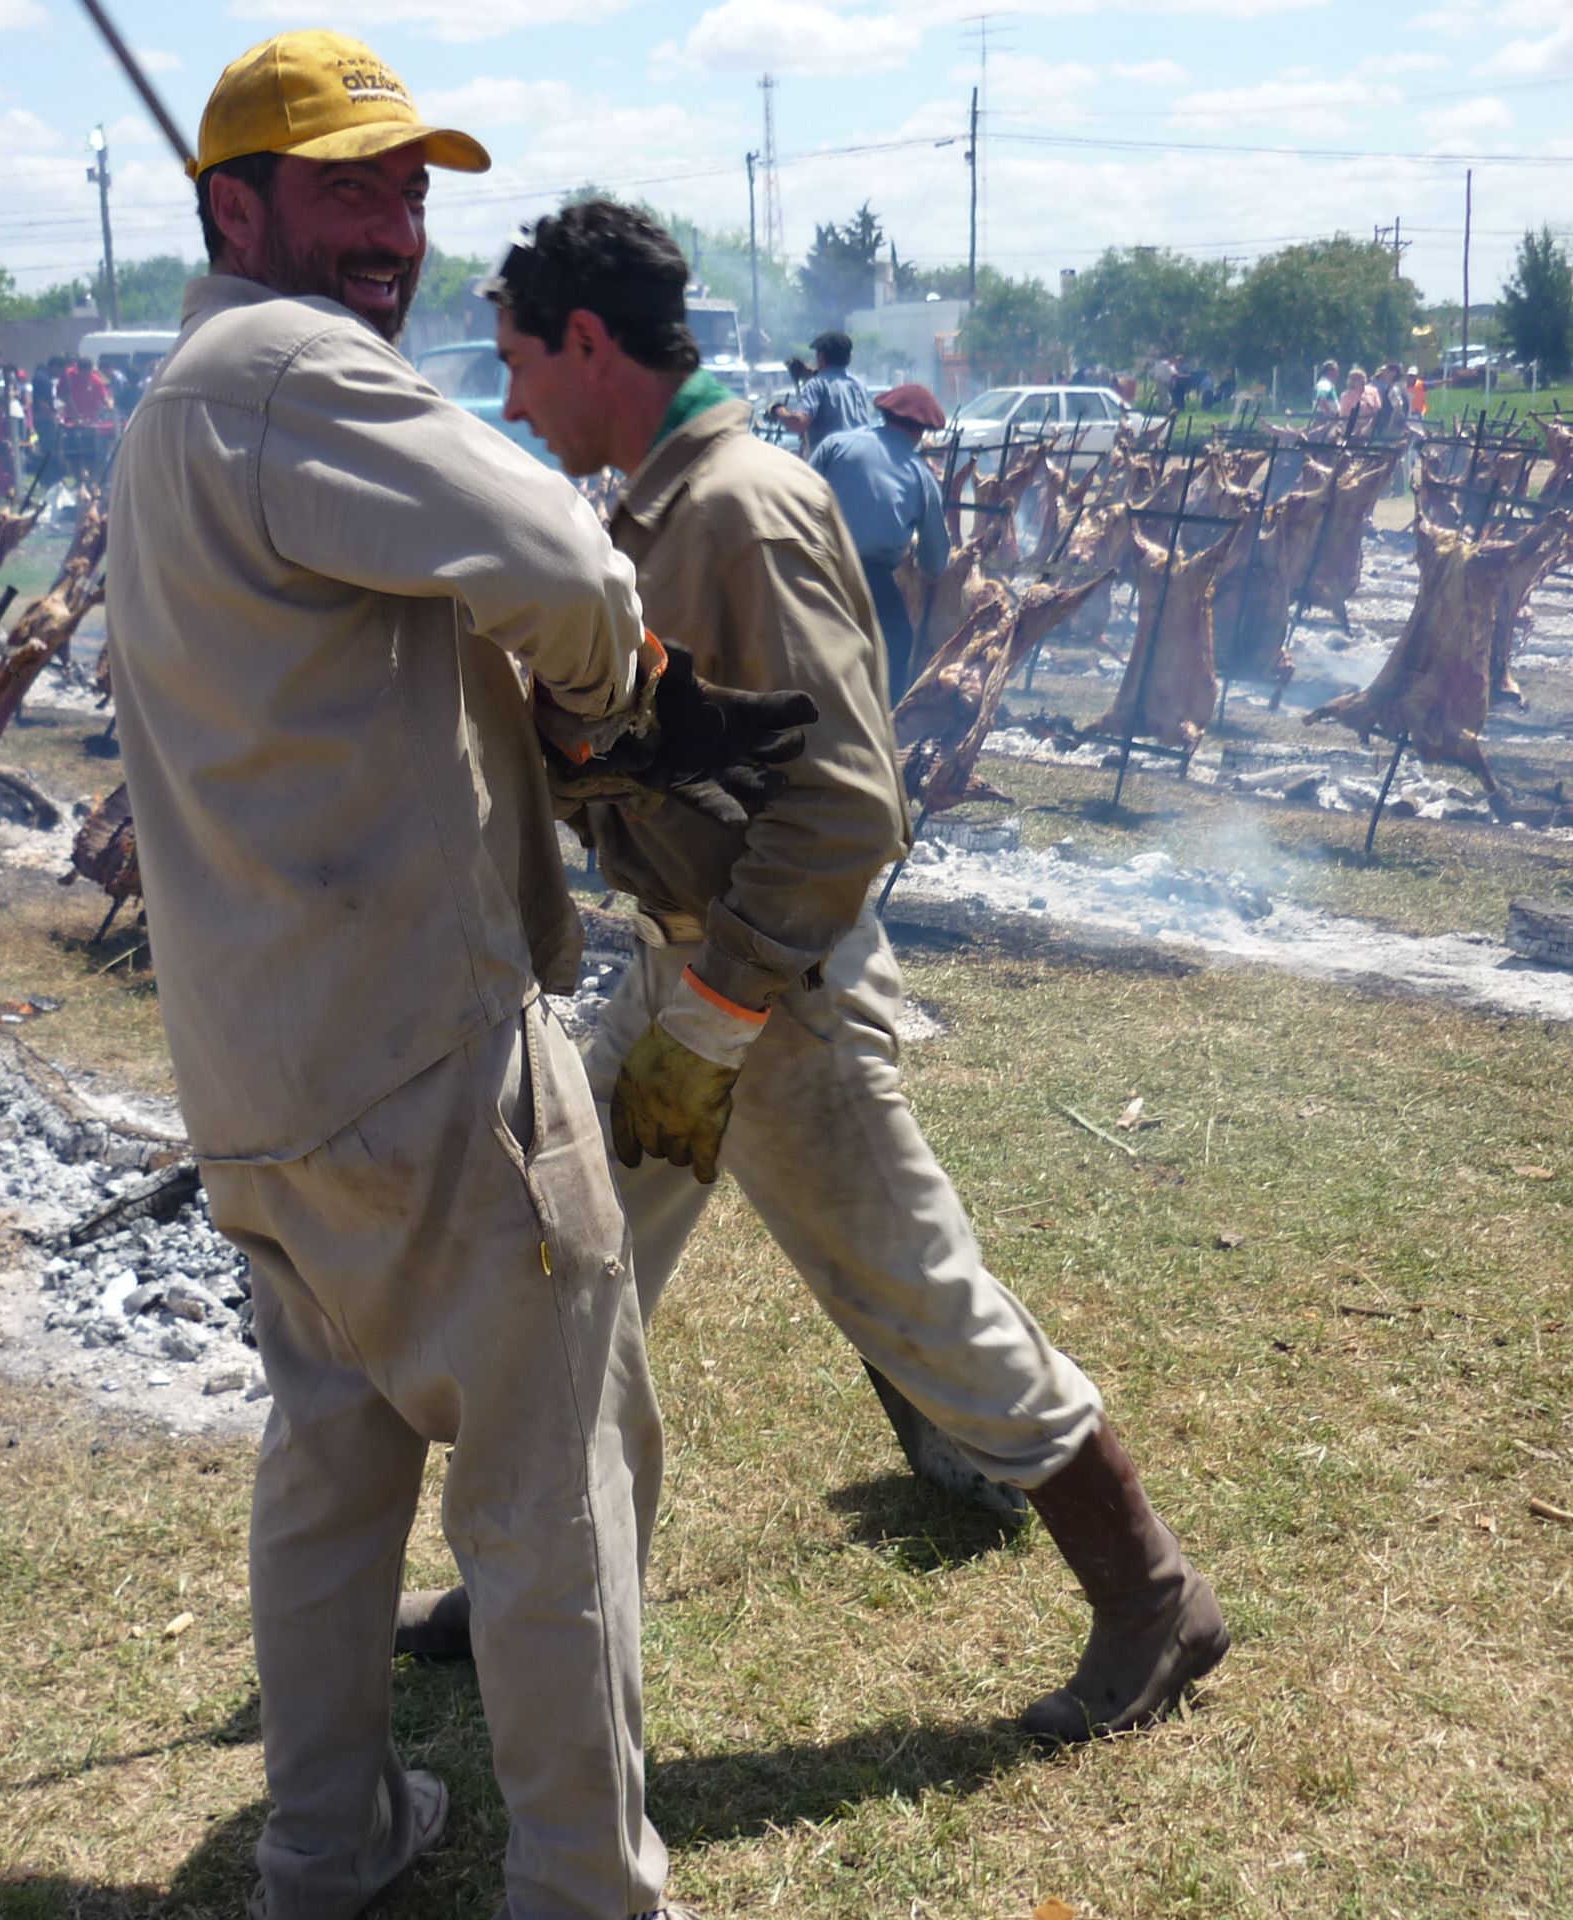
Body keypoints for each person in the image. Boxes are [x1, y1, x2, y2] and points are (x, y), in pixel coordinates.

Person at [108, 33, 798, 1920]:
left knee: (332, 1478)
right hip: (425, 1054)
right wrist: (607, 703)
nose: (393, 230)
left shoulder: (172, 408)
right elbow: (563, 560)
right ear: (234, 204)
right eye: (348, 186)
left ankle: (327, 1849)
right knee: (551, 1480)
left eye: (410, 192)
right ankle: (583, 1890)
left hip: (264, 1068)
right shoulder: (289, 368)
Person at [416, 197, 1230, 1751]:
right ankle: (532, 1582)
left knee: (924, 1308)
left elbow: (850, 804)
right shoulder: (664, 510)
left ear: (588, 342)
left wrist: (721, 1016)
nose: (511, 400)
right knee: (565, 1273)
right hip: (690, 973)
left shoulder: (740, 509)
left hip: (771, 998)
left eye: (519, 362)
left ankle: (1153, 1601)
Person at [808, 382, 949, 699]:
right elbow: (934, 562)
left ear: (885, 414)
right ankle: (883, 719)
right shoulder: (920, 475)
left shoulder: (836, 445)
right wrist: (926, 571)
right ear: (921, 431)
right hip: (871, 578)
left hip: (816, 568)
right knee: (896, 645)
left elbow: (800, 495)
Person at [773, 329, 877, 453]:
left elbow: (799, 423)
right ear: (849, 359)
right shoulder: (858, 385)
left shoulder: (816, 384)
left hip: (833, 459)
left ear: (821, 357)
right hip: (862, 455)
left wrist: (777, 409)